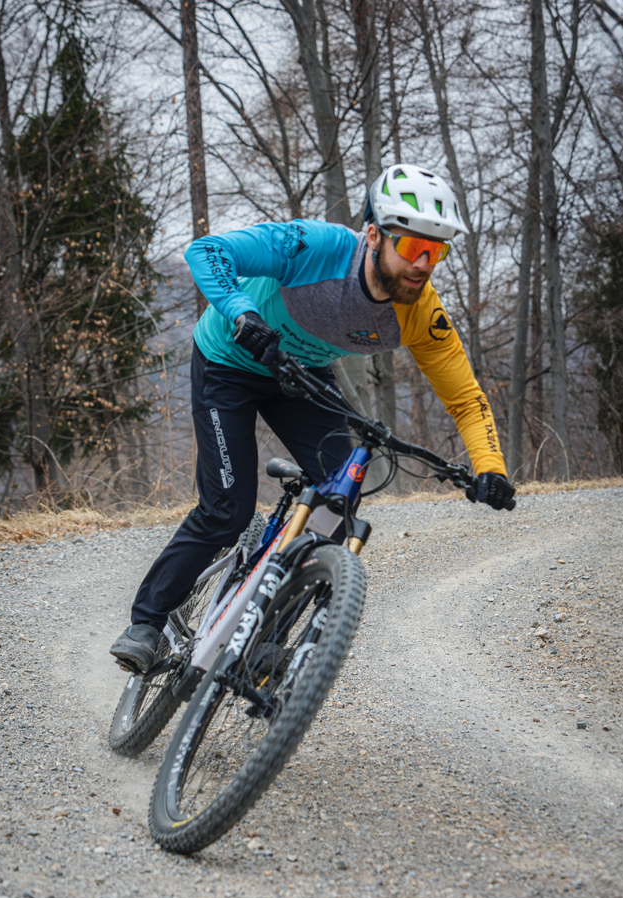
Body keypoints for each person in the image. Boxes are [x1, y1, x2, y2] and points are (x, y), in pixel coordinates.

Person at [110, 163, 516, 673]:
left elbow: (466, 399)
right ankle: (147, 622)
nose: (423, 264)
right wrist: (241, 312)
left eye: (437, 252)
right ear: (374, 235)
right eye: (414, 247)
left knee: (340, 496)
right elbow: (208, 251)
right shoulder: (315, 247)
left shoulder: (420, 312)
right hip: (229, 360)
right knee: (227, 510)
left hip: (299, 375)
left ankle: (263, 635)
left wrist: (490, 467)